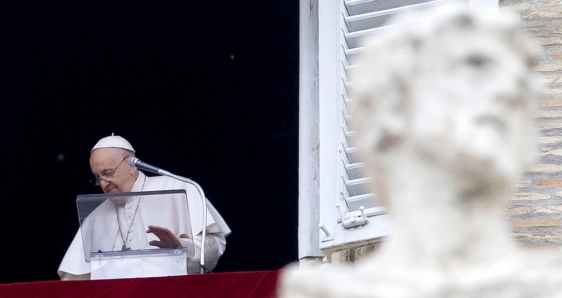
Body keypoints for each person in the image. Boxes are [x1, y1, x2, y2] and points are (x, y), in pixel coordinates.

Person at [58, 135, 231, 280]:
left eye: (108, 173)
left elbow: (214, 246)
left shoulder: (175, 188)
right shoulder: (96, 217)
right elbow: (75, 278)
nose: (103, 183)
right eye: (97, 177)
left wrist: (180, 247)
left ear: (131, 166)